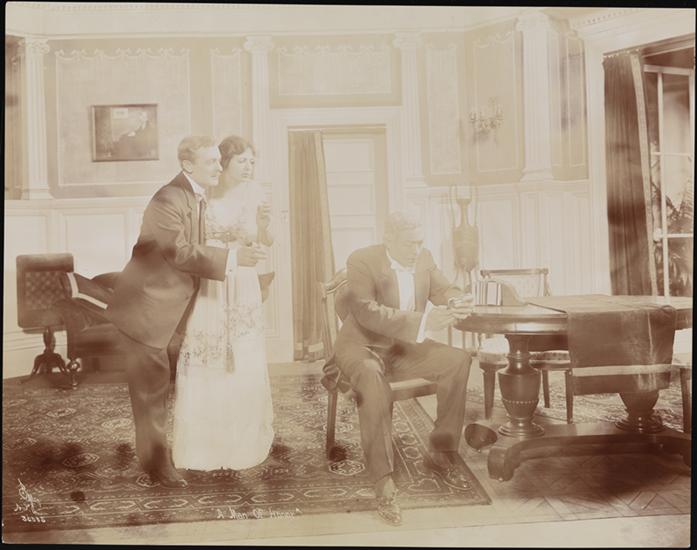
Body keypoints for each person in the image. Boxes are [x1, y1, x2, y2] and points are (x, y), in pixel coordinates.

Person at [107, 135, 266, 488]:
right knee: (150, 393)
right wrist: (233, 258)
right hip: (145, 309)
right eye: (211, 162)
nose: (218, 167)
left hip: (164, 305)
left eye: (218, 160)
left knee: (155, 390)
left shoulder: (195, 195)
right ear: (187, 165)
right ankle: (157, 468)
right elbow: (178, 252)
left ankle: (156, 460)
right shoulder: (168, 198)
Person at [332, 211, 473, 526]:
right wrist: (424, 321)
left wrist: (457, 301)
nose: (416, 249)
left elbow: (445, 289)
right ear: (388, 239)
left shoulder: (424, 258)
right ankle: (383, 481)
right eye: (410, 243)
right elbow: (367, 312)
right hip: (361, 346)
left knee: (458, 360)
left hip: (402, 349)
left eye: (420, 242)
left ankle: (441, 451)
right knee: (371, 376)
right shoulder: (361, 260)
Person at [171, 135, 275, 471]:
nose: (249, 167)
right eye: (242, 161)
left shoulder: (254, 193)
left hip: (243, 282)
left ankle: (242, 441)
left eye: (252, 162)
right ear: (225, 162)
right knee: (209, 352)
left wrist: (262, 228)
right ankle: (205, 445)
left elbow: (265, 240)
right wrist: (226, 255)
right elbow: (190, 243)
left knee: (243, 353)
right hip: (212, 280)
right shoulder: (204, 193)